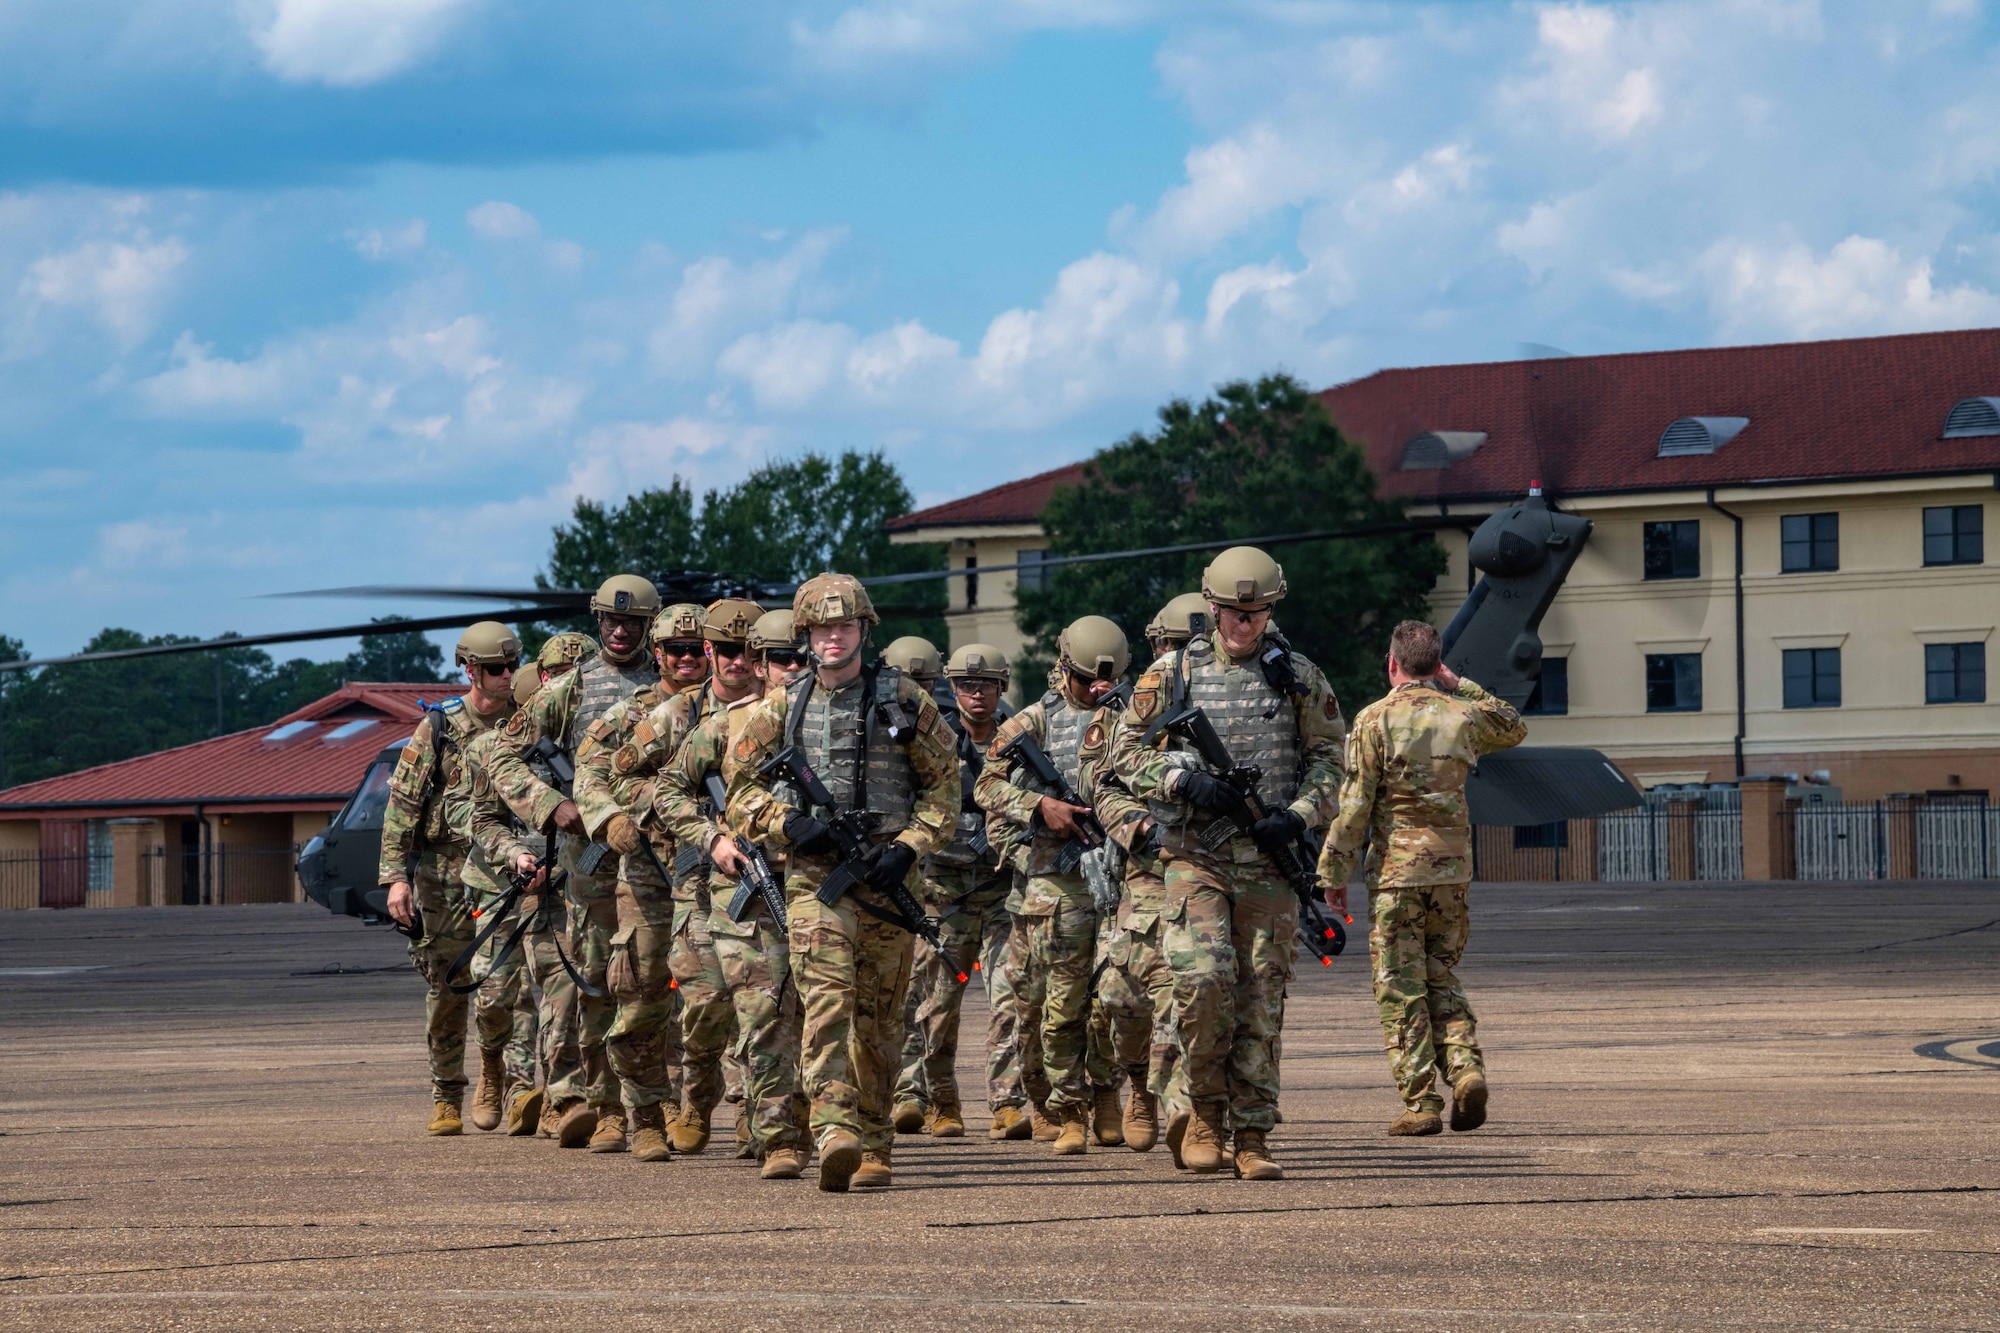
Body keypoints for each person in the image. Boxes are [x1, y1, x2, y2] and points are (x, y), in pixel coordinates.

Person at [1108, 547, 1345, 1181]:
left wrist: (1297, 814)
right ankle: (1203, 1113)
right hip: (1195, 857)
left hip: (1269, 860)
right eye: (1236, 612)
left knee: (1261, 996)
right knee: (1204, 981)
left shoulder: (1298, 676)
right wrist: (1179, 779)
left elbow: (1330, 762)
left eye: (1258, 612)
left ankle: (1254, 1135)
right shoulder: (1170, 674)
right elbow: (1120, 754)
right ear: (1212, 607)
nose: (1247, 623)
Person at [723, 573, 958, 1192]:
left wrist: (909, 847)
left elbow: (945, 791)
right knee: (826, 1005)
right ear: (805, 634)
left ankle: (876, 1142)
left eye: (845, 626)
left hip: (886, 882)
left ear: (863, 630)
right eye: (822, 628)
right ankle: (833, 1130)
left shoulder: (906, 702)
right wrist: (785, 823)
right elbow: (738, 792)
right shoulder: (780, 707)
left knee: (880, 1021)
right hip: (813, 884)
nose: (834, 638)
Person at [1316, 619, 1526, 1137]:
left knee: (1399, 985)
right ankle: (1466, 1068)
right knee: (1440, 975)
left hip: (1397, 875)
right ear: (1436, 665)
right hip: (1452, 872)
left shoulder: (1373, 720)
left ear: (1392, 663)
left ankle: (1421, 1102)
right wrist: (1461, 686)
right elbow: (1514, 724)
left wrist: (1334, 870)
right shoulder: (1463, 715)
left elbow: (1355, 805)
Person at [483, 575, 663, 1151]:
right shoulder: (573, 687)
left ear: (648, 627)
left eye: (631, 623)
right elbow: (497, 752)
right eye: (610, 621)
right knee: (595, 982)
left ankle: (669, 1106)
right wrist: (549, 804)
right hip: (590, 864)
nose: (618, 630)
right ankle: (607, 1106)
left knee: (661, 986)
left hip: (667, 859)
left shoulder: (673, 685)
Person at [656, 601, 811, 1177]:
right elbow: (667, 789)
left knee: (810, 1013)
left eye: (800, 658)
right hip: (742, 888)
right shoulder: (725, 726)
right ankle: (775, 1137)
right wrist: (713, 837)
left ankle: (795, 1121)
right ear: (759, 663)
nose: (791, 669)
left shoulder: (841, 725)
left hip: (819, 888)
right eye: (778, 659)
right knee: (757, 1011)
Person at [975, 615, 1131, 1155]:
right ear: (1063, 669)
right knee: (1052, 1007)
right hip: (1052, 891)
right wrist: (1040, 808)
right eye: (1086, 681)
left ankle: (1109, 1094)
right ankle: (1065, 1108)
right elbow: (986, 787)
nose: (1096, 692)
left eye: (1105, 683)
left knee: (1113, 999)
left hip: (1120, 882)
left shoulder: (1132, 718)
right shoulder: (1033, 723)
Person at [377, 621, 526, 1136]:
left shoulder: (526, 721)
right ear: (469, 670)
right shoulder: (439, 727)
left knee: (510, 982)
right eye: (494, 668)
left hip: (507, 868)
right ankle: (445, 1093)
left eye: (512, 665)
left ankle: (501, 1072)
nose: (506, 676)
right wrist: (396, 877)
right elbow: (403, 805)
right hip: (444, 872)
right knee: (447, 984)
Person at [889, 643, 1024, 1140]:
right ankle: (937, 1101)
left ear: (1000, 687)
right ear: (952, 687)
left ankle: (1008, 1104)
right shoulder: (933, 739)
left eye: (986, 685)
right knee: (935, 1004)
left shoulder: (1018, 740)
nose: (977, 694)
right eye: (967, 685)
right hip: (941, 893)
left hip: (1000, 891)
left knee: (1011, 997)